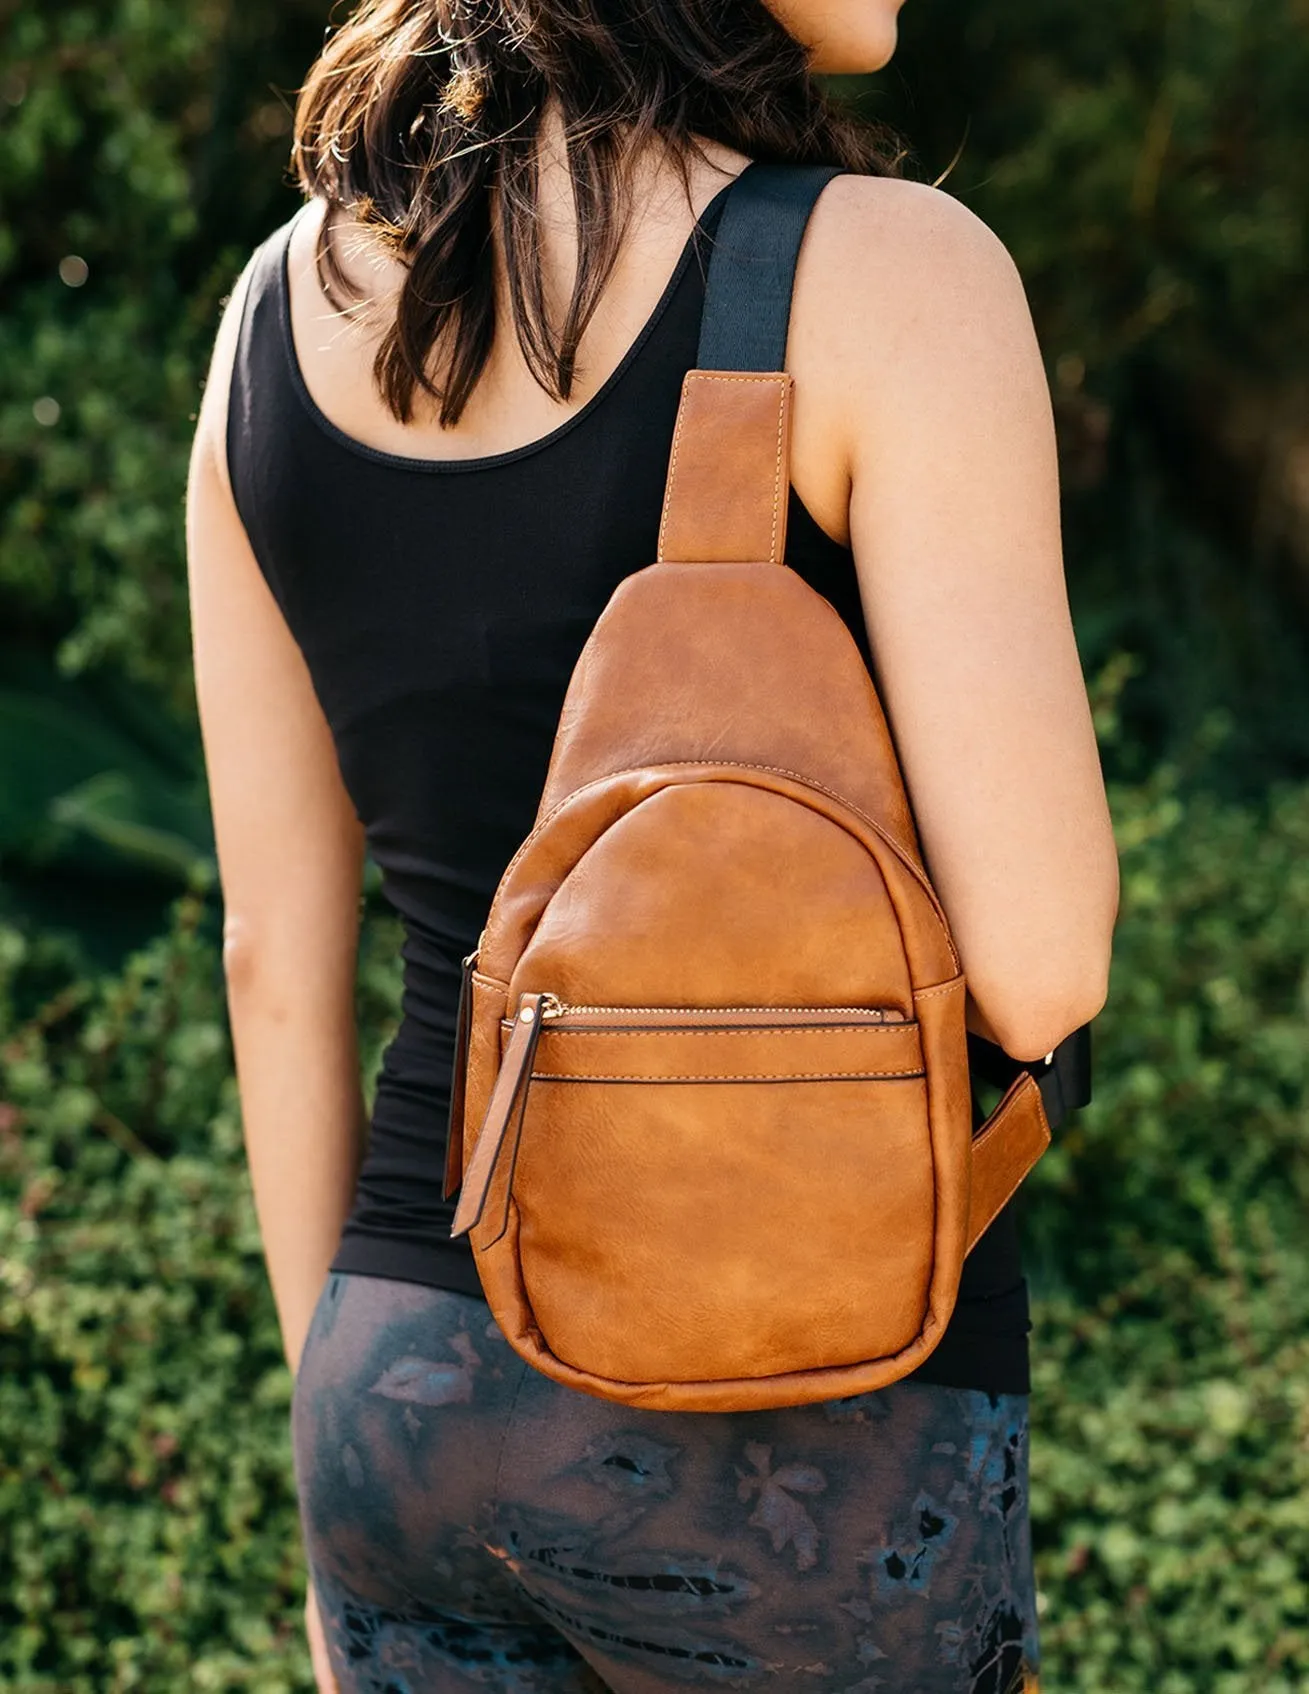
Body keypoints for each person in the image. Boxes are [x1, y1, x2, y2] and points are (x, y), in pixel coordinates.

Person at [185, 0, 1118, 1684]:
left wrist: (345, 1417)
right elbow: (1045, 960)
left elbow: (271, 961)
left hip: (397, 1382)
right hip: (811, 1431)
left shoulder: (274, 314)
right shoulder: (894, 279)